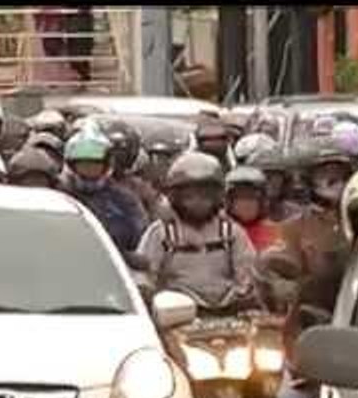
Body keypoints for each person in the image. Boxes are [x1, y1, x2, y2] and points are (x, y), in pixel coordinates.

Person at [244, 141, 355, 398]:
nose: (332, 183)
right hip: (307, 344)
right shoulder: (294, 228)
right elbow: (273, 266)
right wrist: (282, 283)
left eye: (339, 174)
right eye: (323, 174)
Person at [135, 151, 256, 308]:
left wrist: (244, 295)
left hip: (228, 309)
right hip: (177, 312)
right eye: (189, 197)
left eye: (205, 196)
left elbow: (247, 273)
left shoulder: (229, 231)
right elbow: (144, 276)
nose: (198, 203)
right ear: (175, 197)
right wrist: (151, 297)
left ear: (217, 197)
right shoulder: (163, 232)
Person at [59, 130, 148, 254]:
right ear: (71, 165)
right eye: (84, 164)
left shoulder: (124, 200)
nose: (89, 169)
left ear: (106, 165)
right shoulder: (58, 197)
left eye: (95, 164)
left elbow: (140, 239)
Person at [99, 119, 163, 221]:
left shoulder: (140, 188)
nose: (116, 158)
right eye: (112, 153)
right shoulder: (82, 185)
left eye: (120, 153)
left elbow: (156, 220)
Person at [224, 166, 278, 252]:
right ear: (230, 202)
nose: (246, 204)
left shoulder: (275, 232)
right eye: (240, 197)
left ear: (262, 202)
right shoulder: (221, 232)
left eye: (252, 197)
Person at [246, 146, 303, 224]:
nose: (268, 180)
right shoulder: (240, 215)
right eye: (264, 174)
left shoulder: (295, 213)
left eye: (275, 174)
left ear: (284, 179)